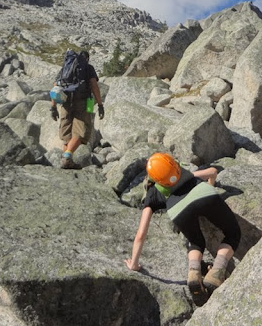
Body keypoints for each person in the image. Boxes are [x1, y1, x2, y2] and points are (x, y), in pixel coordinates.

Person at [124, 152, 241, 301]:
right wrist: (210, 192)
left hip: (177, 209)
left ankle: (193, 272)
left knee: (196, 242)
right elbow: (212, 172)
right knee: (233, 233)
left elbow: (141, 234)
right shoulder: (184, 174)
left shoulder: (152, 194)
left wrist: (134, 264)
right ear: (174, 165)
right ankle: (218, 270)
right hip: (204, 193)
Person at [50, 50, 104, 169]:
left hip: (65, 102)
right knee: (81, 132)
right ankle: (67, 157)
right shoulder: (88, 68)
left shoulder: (65, 68)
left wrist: (53, 106)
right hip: (82, 102)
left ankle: (67, 161)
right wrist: (100, 104)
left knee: (66, 133)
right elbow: (94, 85)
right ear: (87, 59)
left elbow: (56, 87)